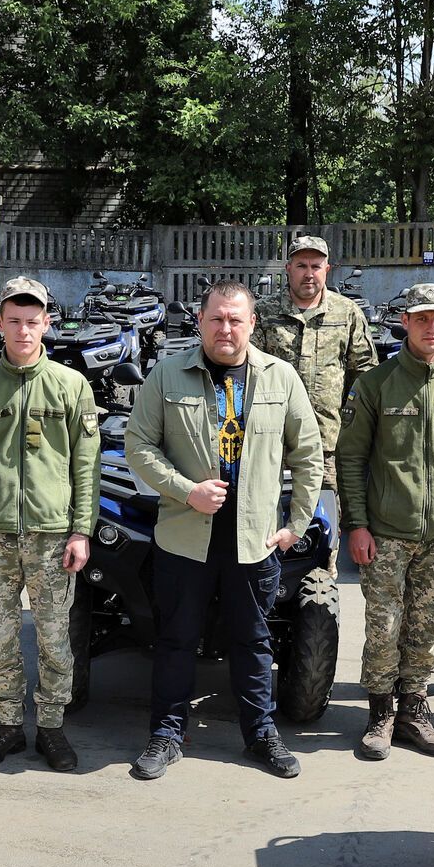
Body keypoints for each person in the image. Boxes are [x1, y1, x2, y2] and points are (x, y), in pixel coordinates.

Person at [124, 279, 323, 781]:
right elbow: (139, 446)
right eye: (216, 318)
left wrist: (295, 523)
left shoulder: (281, 379)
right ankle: (167, 735)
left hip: (254, 540)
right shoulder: (168, 375)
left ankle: (261, 734)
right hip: (185, 537)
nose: (226, 328)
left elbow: (308, 455)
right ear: (200, 321)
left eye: (236, 319)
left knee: (253, 641)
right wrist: (185, 489)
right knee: (175, 639)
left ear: (253, 323)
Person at [337, 283, 434, 760]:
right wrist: (356, 525)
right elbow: (350, 458)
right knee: (384, 626)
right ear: (405, 322)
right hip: (386, 533)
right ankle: (381, 712)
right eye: (422, 318)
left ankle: (414, 710)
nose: (432, 327)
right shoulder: (375, 384)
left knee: (426, 627)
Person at [0, 277, 99, 771]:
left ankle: (51, 727)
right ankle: (9, 724)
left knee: (56, 636)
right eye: (13, 320)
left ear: (47, 324)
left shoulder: (71, 385)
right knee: (1, 634)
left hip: (53, 535)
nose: (23, 330)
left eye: (32, 321)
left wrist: (81, 529)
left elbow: (85, 465)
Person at [250, 234, 376, 499]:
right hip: (272, 442)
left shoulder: (347, 312)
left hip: (326, 445)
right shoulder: (263, 312)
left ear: (327, 270)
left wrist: (352, 425)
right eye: (301, 266)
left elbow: (365, 375)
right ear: (288, 269)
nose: (309, 274)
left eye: (315, 266)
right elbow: (249, 371)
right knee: (268, 514)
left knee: (324, 520)